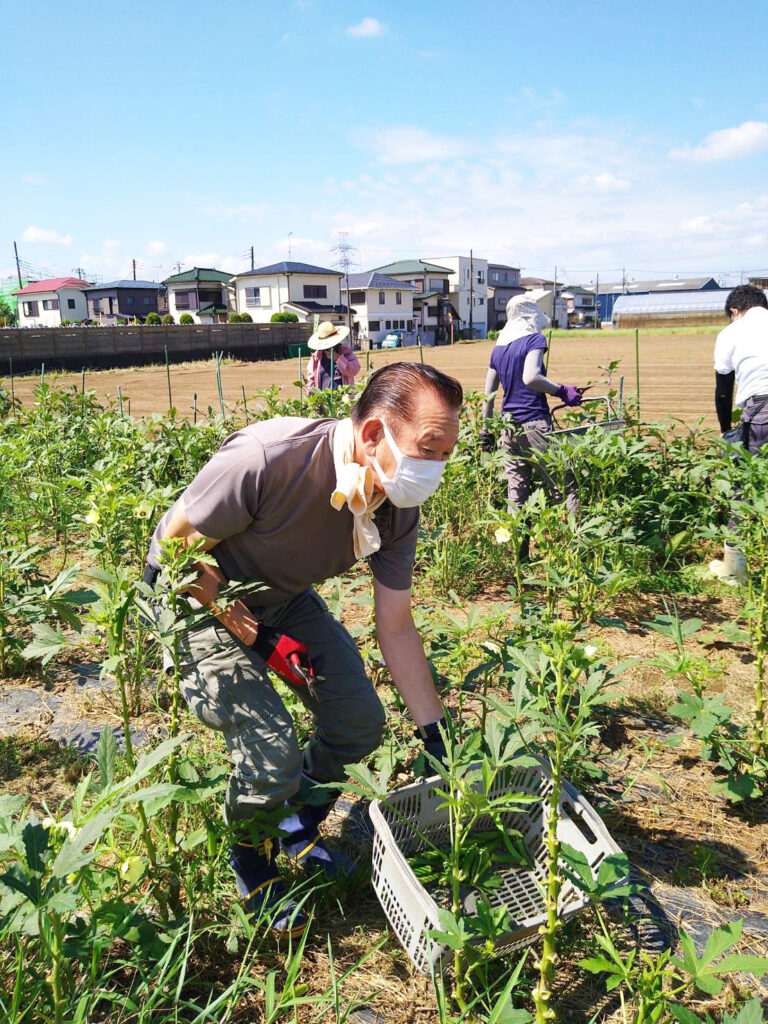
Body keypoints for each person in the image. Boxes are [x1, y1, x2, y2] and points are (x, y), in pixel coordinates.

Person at [145, 362, 462, 936]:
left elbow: (395, 624)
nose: (436, 469)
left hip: (280, 597)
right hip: (194, 593)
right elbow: (172, 550)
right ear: (372, 435)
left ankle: (294, 825)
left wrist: (434, 732)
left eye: (446, 455)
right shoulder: (271, 457)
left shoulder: (395, 507)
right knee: (270, 749)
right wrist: (243, 624)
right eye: (429, 449)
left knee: (359, 723)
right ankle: (253, 861)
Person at [480, 295, 582, 553]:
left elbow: (489, 394)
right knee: (564, 485)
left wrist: (485, 430)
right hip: (535, 423)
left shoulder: (499, 348)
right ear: (531, 316)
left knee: (516, 492)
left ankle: (513, 555)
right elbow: (531, 377)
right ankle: (573, 551)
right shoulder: (535, 339)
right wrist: (561, 391)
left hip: (508, 429)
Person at [710, 284, 768, 582]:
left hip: (762, 410)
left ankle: (735, 570)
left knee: (747, 486)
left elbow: (723, 390)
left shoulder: (732, 332)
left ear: (734, 311)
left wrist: (726, 431)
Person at [305, 321, 361, 391]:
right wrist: (311, 398)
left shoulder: (346, 353)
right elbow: (311, 381)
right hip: (323, 399)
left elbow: (354, 370)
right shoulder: (316, 358)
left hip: (344, 399)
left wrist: (338, 358)